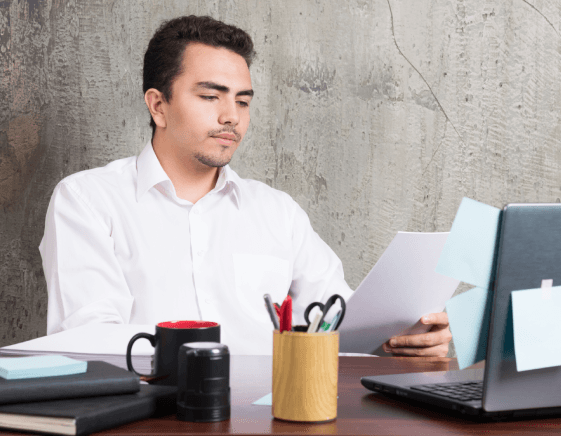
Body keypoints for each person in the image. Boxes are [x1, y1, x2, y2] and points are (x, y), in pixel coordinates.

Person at [39, 15, 452, 356]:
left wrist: (402, 337)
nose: (231, 117)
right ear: (158, 105)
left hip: (272, 417)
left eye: (242, 100)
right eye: (210, 97)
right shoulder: (87, 200)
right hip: (147, 417)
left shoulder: (277, 212)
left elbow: (339, 322)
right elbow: (88, 338)